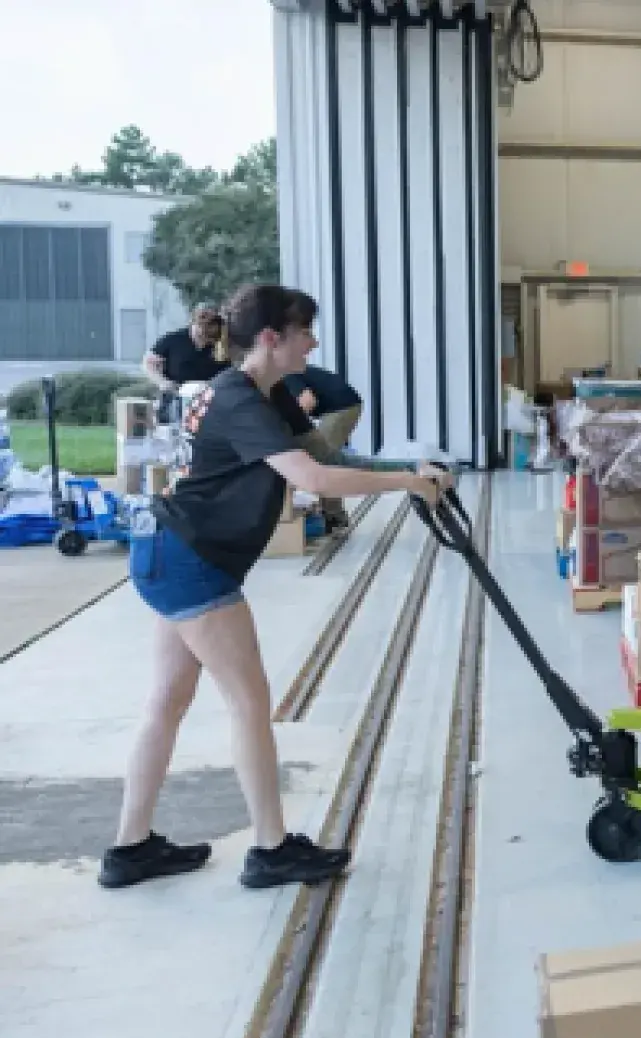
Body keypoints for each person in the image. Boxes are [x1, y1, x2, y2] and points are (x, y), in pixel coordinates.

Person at [101, 284, 448, 891]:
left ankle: (130, 849)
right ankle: (271, 849)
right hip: (190, 559)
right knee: (250, 703)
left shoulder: (266, 395)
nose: (313, 342)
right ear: (270, 338)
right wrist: (408, 487)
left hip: (167, 549)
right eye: (304, 331)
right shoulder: (238, 399)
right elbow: (312, 477)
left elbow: (321, 449)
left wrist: (405, 467)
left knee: (167, 703)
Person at [283, 365, 366, 528]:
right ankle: (332, 513)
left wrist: (289, 426)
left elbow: (307, 401)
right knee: (323, 460)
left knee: (324, 460)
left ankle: (334, 516)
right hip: (341, 405)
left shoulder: (284, 372)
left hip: (342, 407)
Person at [143, 303, 228, 422]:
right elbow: (149, 362)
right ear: (195, 323)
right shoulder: (173, 340)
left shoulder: (221, 345)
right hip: (174, 401)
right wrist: (162, 382)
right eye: (203, 333)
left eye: (211, 337)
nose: (207, 340)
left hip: (209, 404)